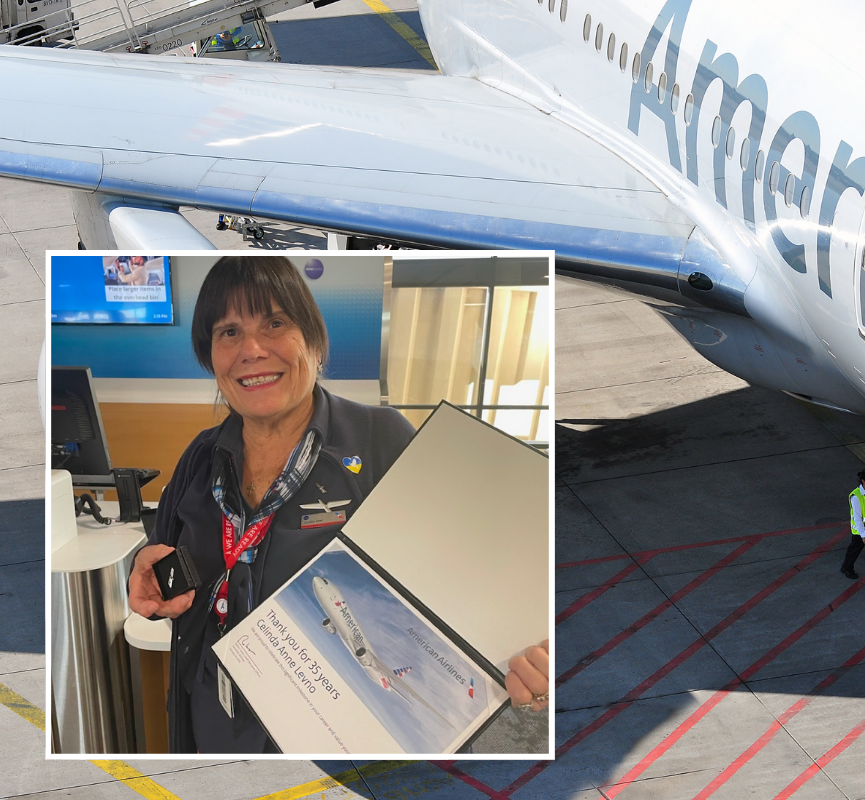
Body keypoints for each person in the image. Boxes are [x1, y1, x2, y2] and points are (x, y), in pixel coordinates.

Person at [126, 256, 549, 753]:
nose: (252, 350)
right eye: (229, 332)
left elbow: (473, 578)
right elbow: (161, 561)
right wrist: (144, 576)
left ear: (312, 339)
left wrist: (522, 657)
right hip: (212, 721)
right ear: (210, 356)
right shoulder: (201, 456)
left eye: (275, 323)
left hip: (339, 736)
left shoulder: (379, 440)